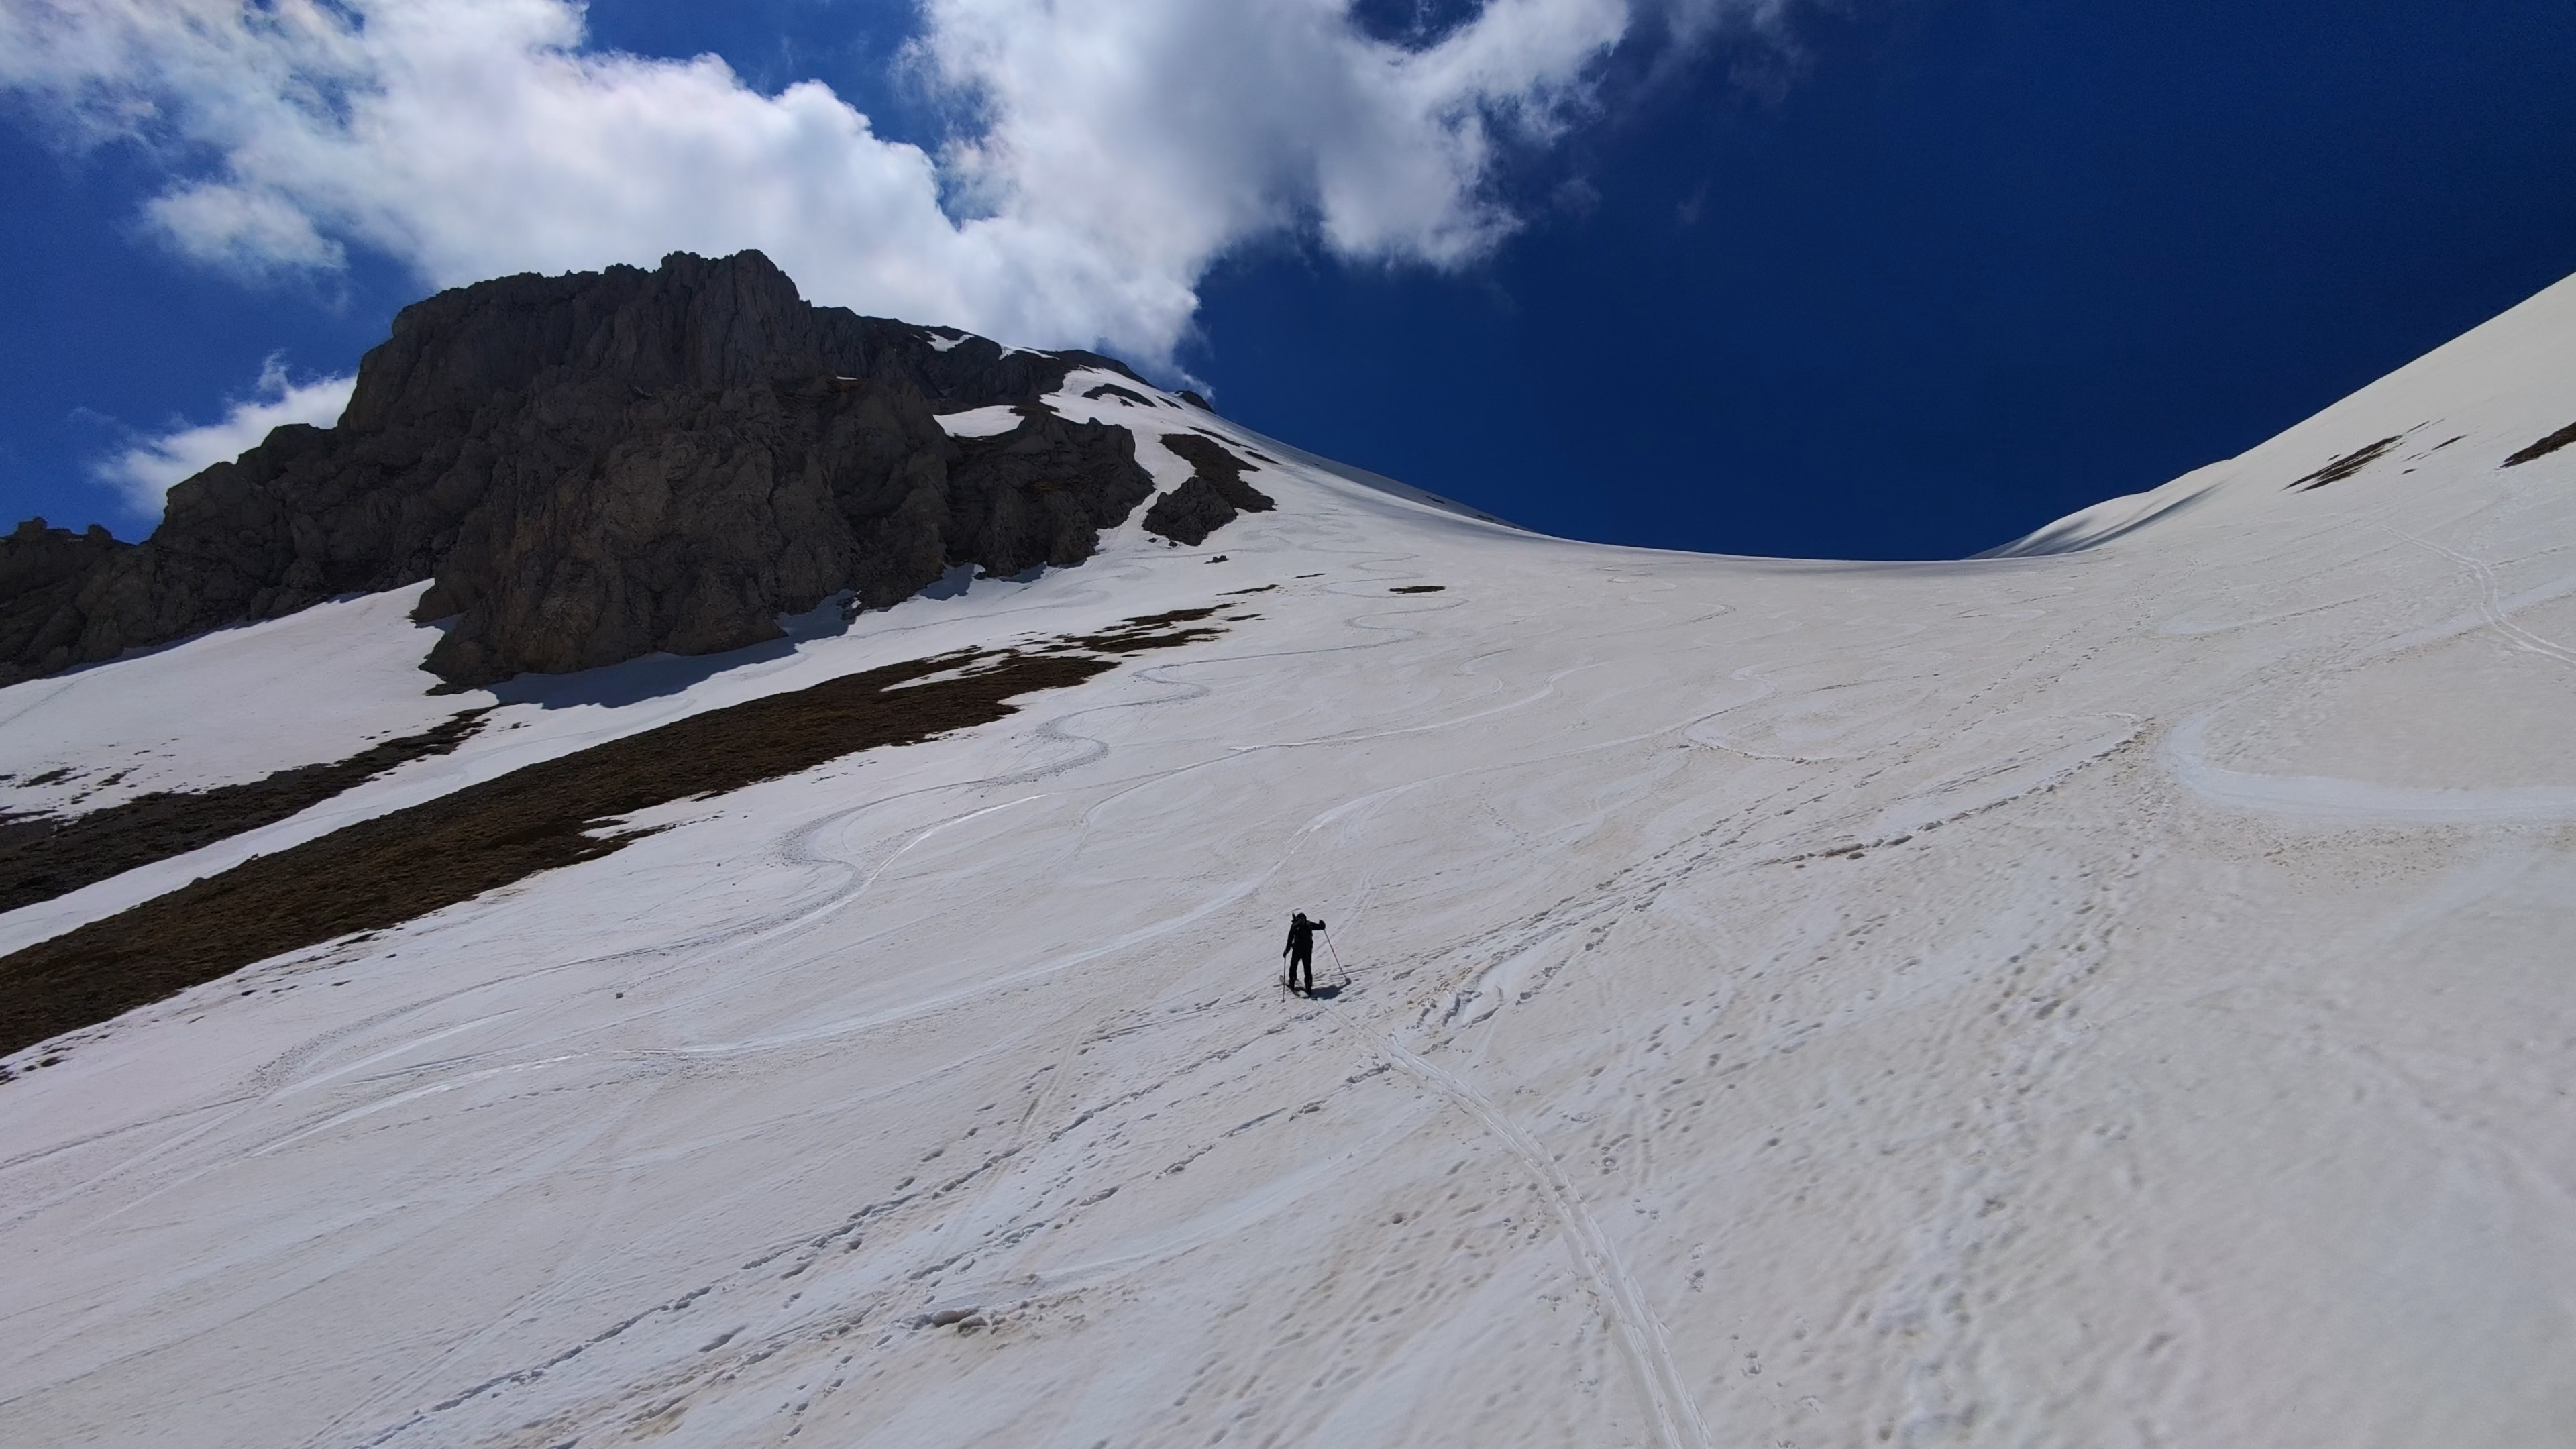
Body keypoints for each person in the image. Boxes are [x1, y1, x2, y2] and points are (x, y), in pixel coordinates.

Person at [1282, 912, 1325, 995]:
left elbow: (1290, 939)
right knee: (1307, 967)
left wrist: (1287, 950)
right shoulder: (1308, 924)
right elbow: (1320, 927)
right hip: (1308, 950)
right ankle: (1308, 986)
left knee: (1294, 965)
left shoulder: (1294, 925)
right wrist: (1322, 924)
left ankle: (1292, 982)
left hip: (1297, 949)